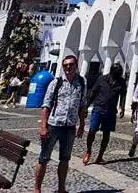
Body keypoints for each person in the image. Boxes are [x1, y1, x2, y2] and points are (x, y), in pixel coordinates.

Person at [34, 54, 86, 193]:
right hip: (54, 125)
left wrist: (82, 124)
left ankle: (61, 189)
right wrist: (43, 127)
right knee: (44, 158)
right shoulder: (56, 83)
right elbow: (46, 105)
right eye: (65, 65)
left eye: (71, 64)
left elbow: (82, 106)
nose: (68, 67)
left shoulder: (81, 83)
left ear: (76, 66)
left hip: (69, 127)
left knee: (65, 159)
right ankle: (37, 189)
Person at [83, 62, 126, 165]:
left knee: (106, 134)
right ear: (111, 71)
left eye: (119, 71)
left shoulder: (121, 82)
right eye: (116, 71)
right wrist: (86, 107)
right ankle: (88, 151)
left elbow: (123, 95)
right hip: (98, 108)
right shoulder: (102, 79)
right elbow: (93, 92)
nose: (118, 73)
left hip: (111, 111)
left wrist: (122, 108)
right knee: (92, 130)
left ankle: (100, 156)